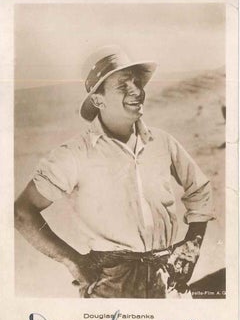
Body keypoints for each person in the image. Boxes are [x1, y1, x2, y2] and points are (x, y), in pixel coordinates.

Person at [14, 45, 214, 298]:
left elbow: (200, 189)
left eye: (138, 82)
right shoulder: (75, 153)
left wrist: (192, 244)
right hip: (110, 284)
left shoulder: (163, 143)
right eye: (123, 85)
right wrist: (73, 262)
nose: (138, 91)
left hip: (168, 280)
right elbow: (22, 212)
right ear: (98, 100)